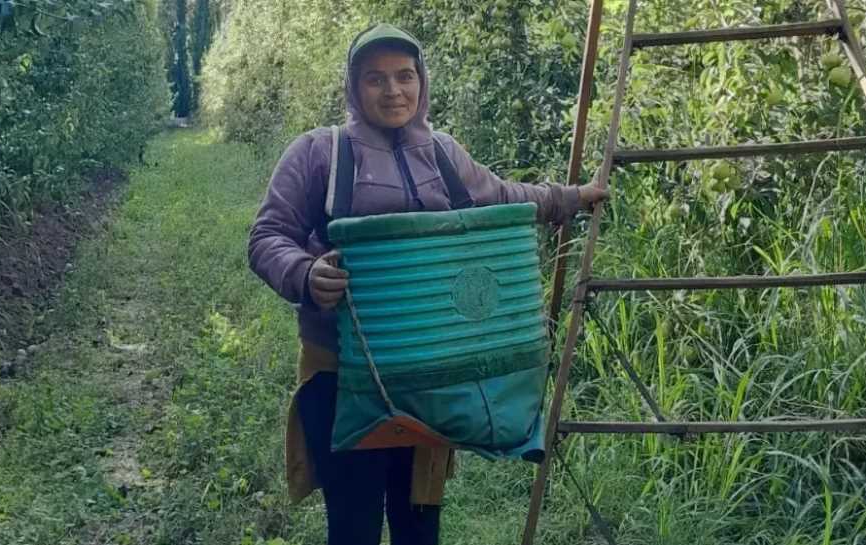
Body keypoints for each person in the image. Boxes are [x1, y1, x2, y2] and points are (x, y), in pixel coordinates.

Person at [248, 23, 608, 545]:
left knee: (420, 526)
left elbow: (504, 198)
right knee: (352, 526)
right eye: (375, 79)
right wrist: (305, 274)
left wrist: (573, 198)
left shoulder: (441, 154)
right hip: (342, 375)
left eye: (404, 76)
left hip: (435, 377)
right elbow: (267, 236)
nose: (393, 91)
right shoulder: (317, 154)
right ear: (353, 86)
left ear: (422, 82)